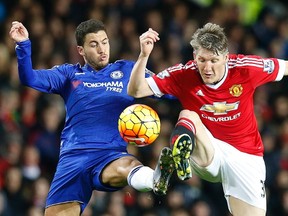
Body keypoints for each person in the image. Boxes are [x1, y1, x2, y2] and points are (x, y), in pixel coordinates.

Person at [9, 19, 175, 216]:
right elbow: (30, 78)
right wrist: (23, 45)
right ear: (81, 50)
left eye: (105, 42)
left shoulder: (127, 71)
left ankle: (155, 179)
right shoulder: (69, 74)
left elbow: (169, 89)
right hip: (72, 160)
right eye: (94, 44)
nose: (102, 49)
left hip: (109, 155)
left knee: (128, 166)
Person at [127, 22, 288, 216]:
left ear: (226, 58)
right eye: (202, 60)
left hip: (245, 155)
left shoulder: (246, 68)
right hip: (207, 151)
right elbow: (136, 90)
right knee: (188, 115)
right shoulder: (183, 73)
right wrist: (144, 55)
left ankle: (180, 154)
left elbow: (285, 66)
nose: (207, 67)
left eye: (213, 60)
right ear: (195, 56)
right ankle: (181, 156)